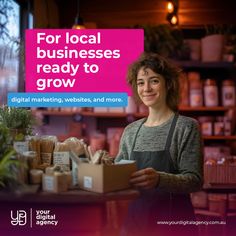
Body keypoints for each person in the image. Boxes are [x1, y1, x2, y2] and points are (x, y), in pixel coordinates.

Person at [116, 52, 203, 236]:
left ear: (168, 84)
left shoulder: (186, 127)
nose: (146, 88)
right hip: (135, 226)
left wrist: (159, 179)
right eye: (141, 82)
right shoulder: (131, 131)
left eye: (154, 80)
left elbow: (194, 180)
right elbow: (119, 175)